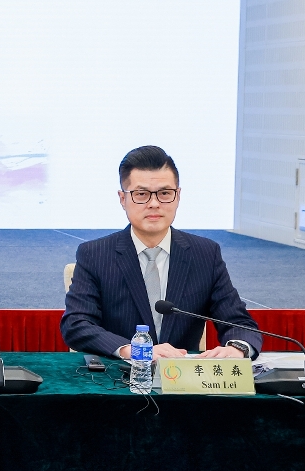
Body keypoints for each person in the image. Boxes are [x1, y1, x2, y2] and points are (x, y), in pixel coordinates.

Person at [61, 145, 261, 360]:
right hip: (118, 374)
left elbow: (239, 322)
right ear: (122, 199)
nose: (154, 204)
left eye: (165, 193)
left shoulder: (204, 254)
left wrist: (238, 348)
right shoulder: (95, 254)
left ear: (178, 196)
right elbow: (77, 325)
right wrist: (134, 351)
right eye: (141, 194)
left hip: (182, 377)